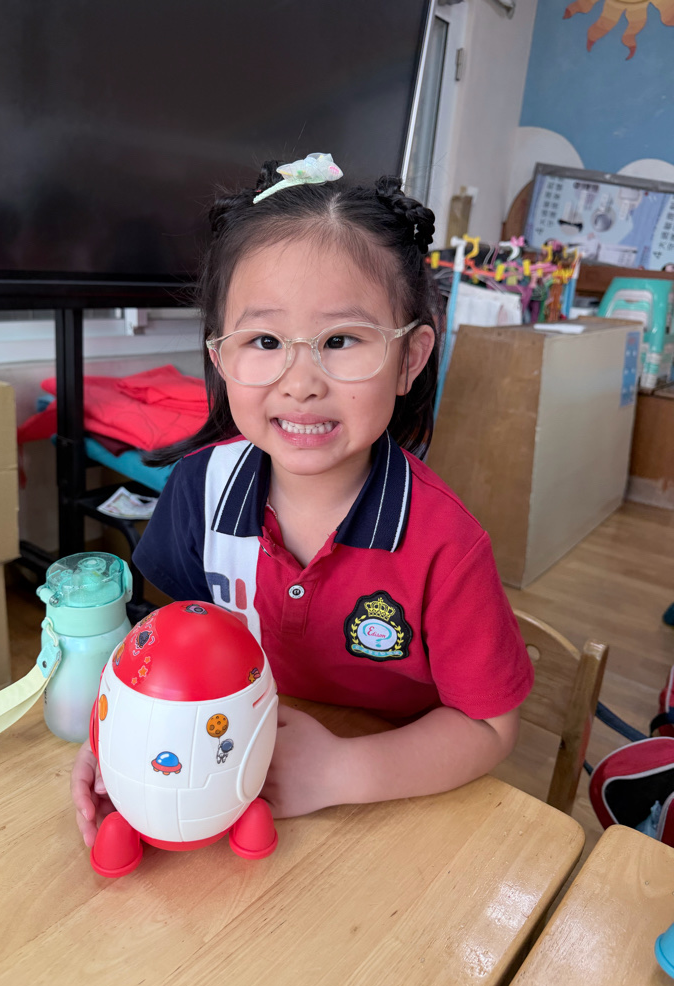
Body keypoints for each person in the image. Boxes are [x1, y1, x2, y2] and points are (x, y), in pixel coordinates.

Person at [71, 153, 533, 845]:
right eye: (264, 340)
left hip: (392, 809)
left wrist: (341, 771)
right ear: (221, 358)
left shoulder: (445, 543)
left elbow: (489, 726)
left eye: (340, 340)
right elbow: (166, 651)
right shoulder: (198, 490)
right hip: (235, 784)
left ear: (409, 359)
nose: (301, 381)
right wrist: (120, 733)